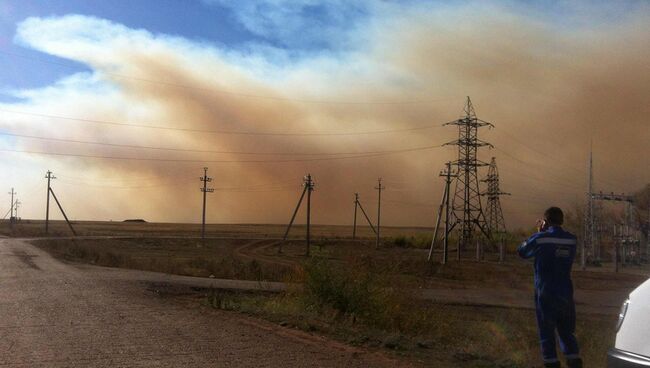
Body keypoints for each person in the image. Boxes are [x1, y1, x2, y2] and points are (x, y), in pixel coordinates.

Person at [517, 207, 582, 368]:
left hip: (545, 292)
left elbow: (523, 252)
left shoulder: (541, 239)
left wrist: (538, 232)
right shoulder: (571, 240)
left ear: (546, 221)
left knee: (546, 331)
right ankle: (574, 361)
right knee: (567, 332)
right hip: (566, 293)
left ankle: (551, 362)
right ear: (562, 220)